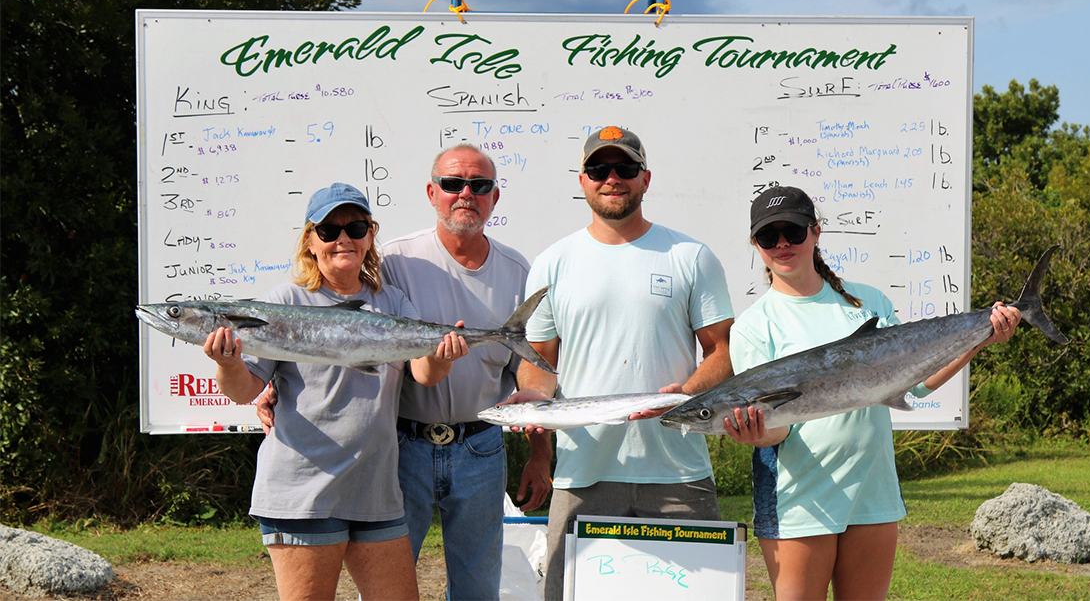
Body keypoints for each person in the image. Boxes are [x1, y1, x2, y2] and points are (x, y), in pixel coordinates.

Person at [257, 145, 550, 601]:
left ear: (495, 196)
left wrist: (540, 450)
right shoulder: (391, 262)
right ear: (433, 192)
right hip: (404, 448)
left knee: (478, 588)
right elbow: (333, 330)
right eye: (453, 184)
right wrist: (267, 384)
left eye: (479, 185)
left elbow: (528, 367)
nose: (465, 194)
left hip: (481, 447)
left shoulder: (517, 271)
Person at [721, 185, 1021, 601]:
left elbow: (918, 382)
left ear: (816, 232)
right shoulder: (755, 325)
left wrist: (982, 339)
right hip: (800, 499)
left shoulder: (868, 302)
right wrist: (756, 432)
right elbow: (776, 431)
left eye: (792, 231)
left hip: (872, 490)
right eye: (769, 237)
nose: (783, 244)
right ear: (756, 245)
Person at [206, 182, 467, 601]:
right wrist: (226, 361)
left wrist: (443, 356)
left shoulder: (393, 301)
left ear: (369, 236)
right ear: (310, 241)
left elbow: (425, 373)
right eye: (328, 231)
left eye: (355, 227)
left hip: (376, 490)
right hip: (303, 491)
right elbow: (245, 390)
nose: (342, 238)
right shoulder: (286, 300)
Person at [507, 126, 736, 601]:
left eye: (625, 168)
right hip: (583, 475)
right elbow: (539, 363)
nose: (613, 178)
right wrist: (535, 409)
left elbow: (723, 351)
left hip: (678, 473)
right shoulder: (553, 262)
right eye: (599, 169)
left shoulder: (690, 256)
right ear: (583, 180)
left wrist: (687, 395)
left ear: (645, 178)